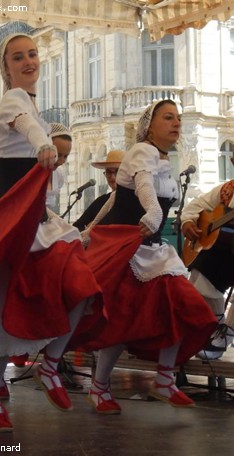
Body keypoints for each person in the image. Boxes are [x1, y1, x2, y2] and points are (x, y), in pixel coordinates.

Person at [0, 33, 103, 432]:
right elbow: (26, 128)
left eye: (32, 54)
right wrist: (45, 143)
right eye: (18, 57)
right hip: (9, 226)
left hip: (33, 223)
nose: (28, 61)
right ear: (6, 67)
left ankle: (49, 364)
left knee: (79, 284)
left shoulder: (29, 104)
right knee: (2, 312)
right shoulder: (15, 101)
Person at [80, 99, 217, 414]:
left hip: (155, 251)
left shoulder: (163, 160)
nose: (176, 122)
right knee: (122, 322)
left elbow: (114, 198)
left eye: (178, 118)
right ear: (150, 126)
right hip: (131, 251)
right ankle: (100, 385)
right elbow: (143, 188)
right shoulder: (142, 152)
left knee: (182, 305)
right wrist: (152, 212)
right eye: (168, 117)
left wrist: (92, 227)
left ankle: (165, 379)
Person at [181, 156, 234, 360]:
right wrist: (187, 222)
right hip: (223, 255)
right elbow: (194, 207)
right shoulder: (226, 189)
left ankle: (227, 333)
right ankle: (214, 328)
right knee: (200, 273)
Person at [73, 149, 124, 231]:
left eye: (117, 172)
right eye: (108, 172)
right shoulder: (100, 201)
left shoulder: (134, 200)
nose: (112, 177)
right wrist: (87, 229)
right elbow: (76, 227)